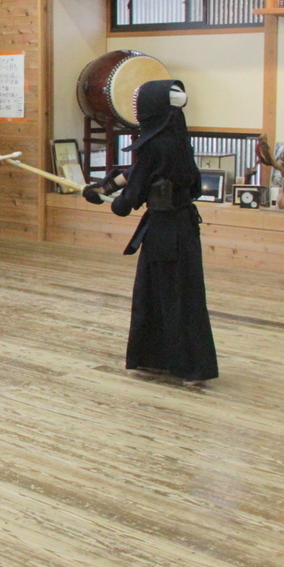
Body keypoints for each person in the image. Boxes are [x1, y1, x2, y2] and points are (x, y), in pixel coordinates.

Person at [84, 80, 218, 386]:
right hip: (180, 229)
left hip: (165, 232)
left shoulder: (155, 144)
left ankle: (188, 367)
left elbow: (131, 196)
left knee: (170, 297)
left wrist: (110, 199)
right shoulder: (175, 139)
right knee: (168, 295)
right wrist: (105, 185)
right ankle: (164, 360)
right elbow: (139, 172)